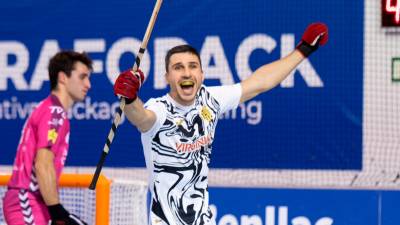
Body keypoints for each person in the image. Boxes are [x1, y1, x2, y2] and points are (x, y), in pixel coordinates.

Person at [113, 22, 328, 225]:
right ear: (167, 77)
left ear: (201, 74)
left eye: (192, 66)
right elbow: (141, 117)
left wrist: (303, 50)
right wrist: (130, 98)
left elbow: (260, 83)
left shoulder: (211, 99)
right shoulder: (159, 109)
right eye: (178, 67)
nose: (186, 72)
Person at [2, 50, 92, 225]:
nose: (88, 84)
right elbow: (43, 163)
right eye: (82, 77)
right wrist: (58, 212)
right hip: (26, 200)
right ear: (63, 78)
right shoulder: (55, 112)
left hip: (35, 202)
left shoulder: (50, 109)